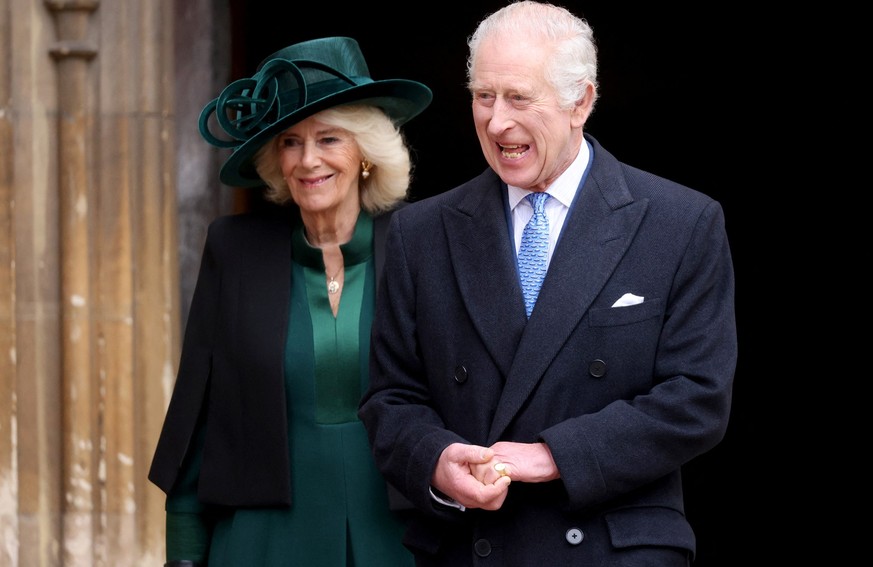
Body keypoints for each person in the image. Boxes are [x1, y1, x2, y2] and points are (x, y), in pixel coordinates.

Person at [357, 2, 737, 565]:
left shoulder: (680, 223)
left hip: (612, 548)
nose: (495, 121)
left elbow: (697, 398)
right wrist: (437, 461)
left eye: (518, 98)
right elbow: (391, 398)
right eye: (483, 97)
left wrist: (554, 454)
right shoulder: (421, 232)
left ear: (580, 101)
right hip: (472, 545)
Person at [148, 36, 431, 566]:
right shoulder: (235, 250)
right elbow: (196, 411)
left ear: (366, 151)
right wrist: (183, 553)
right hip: (263, 540)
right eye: (290, 142)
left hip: (397, 537)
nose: (308, 161)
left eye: (329, 139)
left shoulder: (424, 243)